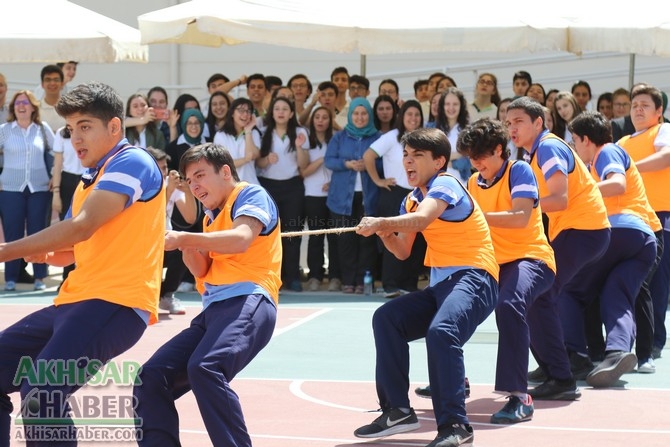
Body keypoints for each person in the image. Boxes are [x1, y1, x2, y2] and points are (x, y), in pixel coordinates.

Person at [0, 81, 165, 445]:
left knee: (42, 391)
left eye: (85, 126)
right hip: (74, 301)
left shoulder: (132, 161)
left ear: (115, 127)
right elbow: (74, 247)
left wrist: (6, 250)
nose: (76, 139)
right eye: (71, 130)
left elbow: (82, 226)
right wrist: (43, 252)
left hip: (117, 302)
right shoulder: (89, 181)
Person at [353, 127, 498, 447]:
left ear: (439, 161)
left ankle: (456, 426)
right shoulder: (411, 199)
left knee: (442, 332)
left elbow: (421, 221)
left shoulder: (446, 183)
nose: (408, 162)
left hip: (476, 277)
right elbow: (403, 251)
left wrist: (382, 222)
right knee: (387, 318)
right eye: (405, 155)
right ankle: (398, 410)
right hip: (442, 286)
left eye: (417, 155)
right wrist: (385, 233)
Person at [134, 142, 281, 447]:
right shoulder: (209, 219)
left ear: (225, 171)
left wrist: (185, 237)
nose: (195, 186)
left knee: (205, 367)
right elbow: (200, 270)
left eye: (200, 176)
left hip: (249, 299)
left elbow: (242, 238)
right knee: (151, 376)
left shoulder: (250, 194)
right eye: (189, 181)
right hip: (213, 310)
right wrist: (186, 244)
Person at [505, 96, 610, 399]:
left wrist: (520, 210)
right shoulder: (536, 153)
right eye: (509, 123)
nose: (512, 128)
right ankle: (556, 364)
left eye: (519, 122)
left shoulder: (548, 147)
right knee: (539, 296)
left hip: (584, 229)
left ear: (539, 123)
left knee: (541, 295)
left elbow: (559, 198)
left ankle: (561, 376)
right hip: (580, 230)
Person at [459, 118, 556, 424]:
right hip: (493, 264)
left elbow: (520, 217)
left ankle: (520, 396)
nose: (475, 163)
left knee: (509, 305)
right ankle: (453, 379)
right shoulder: (474, 182)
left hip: (532, 259)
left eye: (480, 156)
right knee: (453, 307)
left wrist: (474, 217)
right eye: (471, 158)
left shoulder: (520, 171)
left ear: (499, 149)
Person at [566, 111, 657, 387]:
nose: (573, 146)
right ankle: (617, 351)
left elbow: (617, 184)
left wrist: (577, 193)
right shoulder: (600, 159)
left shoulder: (606, 152)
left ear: (585, 139)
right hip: (643, 241)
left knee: (568, 289)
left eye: (574, 140)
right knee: (615, 292)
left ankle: (572, 356)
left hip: (619, 232)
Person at [617, 85, 670, 361]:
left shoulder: (663, 131)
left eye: (645, 105)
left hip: (659, 217)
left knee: (655, 284)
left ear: (659, 112)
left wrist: (630, 167)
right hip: (626, 219)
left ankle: (653, 343)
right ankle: (626, 342)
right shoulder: (622, 142)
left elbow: (666, 156)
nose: (637, 109)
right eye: (634, 104)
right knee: (631, 284)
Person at [364, 100, 426, 295]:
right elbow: (368, 156)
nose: (413, 118)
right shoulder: (392, 137)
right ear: (401, 117)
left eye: (417, 115)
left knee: (417, 241)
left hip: (418, 195)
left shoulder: (425, 140)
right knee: (392, 237)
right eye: (409, 115)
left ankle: (410, 284)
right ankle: (390, 284)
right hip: (395, 193)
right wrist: (378, 180)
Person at [0, 90, 55, 292]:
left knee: (38, 232)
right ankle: (11, 278)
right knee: (13, 234)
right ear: (13, 108)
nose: (21, 106)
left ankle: (40, 276)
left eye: (25, 102)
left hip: (39, 188)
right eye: (17, 103)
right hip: (10, 189)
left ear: (33, 106)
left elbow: (56, 151)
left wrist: (53, 175)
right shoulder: (5, 130)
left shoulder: (42, 129)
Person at [325, 97, 381, 294]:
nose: (359, 117)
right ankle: (348, 281)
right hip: (342, 198)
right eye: (356, 113)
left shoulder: (377, 137)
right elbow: (329, 160)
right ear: (350, 115)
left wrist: (369, 165)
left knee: (366, 241)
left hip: (369, 197)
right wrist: (347, 164)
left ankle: (363, 282)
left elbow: (384, 163)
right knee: (346, 241)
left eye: (364, 113)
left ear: (369, 115)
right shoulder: (339, 137)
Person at [256, 97, 309, 292]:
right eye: (277, 108)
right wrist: (266, 160)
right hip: (268, 187)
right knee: (269, 234)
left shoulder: (301, 133)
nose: (280, 112)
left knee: (292, 233)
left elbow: (303, 164)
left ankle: (293, 276)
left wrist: (299, 146)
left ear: (292, 113)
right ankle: (271, 277)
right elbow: (258, 164)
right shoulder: (263, 133)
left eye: (285, 109)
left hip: (293, 187)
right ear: (271, 112)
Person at [302, 107, 341, 292]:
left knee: (334, 237)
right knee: (316, 236)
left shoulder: (336, 138)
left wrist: (333, 183)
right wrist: (322, 160)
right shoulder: (306, 140)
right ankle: (315, 276)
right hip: (312, 194)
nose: (320, 120)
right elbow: (303, 171)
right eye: (317, 117)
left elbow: (341, 165)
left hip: (334, 194)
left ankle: (335, 276)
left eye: (325, 117)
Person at [50, 126, 85, 287]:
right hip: (67, 182)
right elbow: (58, 165)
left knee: (87, 228)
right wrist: (56, 192)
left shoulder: (89, 129)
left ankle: (83, 275)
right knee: (68, 230)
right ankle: (67, 277)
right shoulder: (61, 132)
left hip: (88, 179)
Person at [213, 97, 261, 185]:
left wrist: (248, 131)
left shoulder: (253, 133)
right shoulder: (221, 135)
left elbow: (253, 155)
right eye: (241, 110)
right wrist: (244, 160)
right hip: (229, 187)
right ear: (232, 113)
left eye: (248, 111)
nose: (245, 114)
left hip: (251, 184)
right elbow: (222, 165)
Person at [434, 87, 471, 184]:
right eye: (447, 104)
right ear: (442, 106)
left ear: (461, 106)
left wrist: (451, 163)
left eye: (455, 104)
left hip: (462, 183)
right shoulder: (433, 129)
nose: (451, 108)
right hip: (438, 182)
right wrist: (457, 154)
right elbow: (431, 157)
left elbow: (469, 159)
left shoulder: (468, 129)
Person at [38, 64, 66, 131]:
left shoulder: (70, 109)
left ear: (62, 84)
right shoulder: (35, 109)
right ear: (42, 84)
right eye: (48, 80)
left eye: (56, 80)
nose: (52, 83)